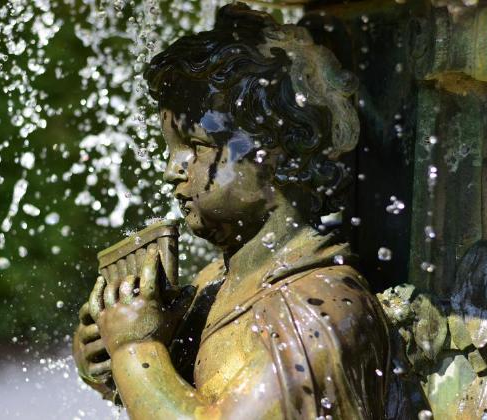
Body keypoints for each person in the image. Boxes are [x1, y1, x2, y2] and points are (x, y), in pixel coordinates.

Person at [73, 3, 390, 419]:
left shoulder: (316, 311)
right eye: (172, 149)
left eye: (198, 146)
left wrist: (136, 351)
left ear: (278, 154)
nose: (172, 171)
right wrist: (111, 356)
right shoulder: (214, 285)